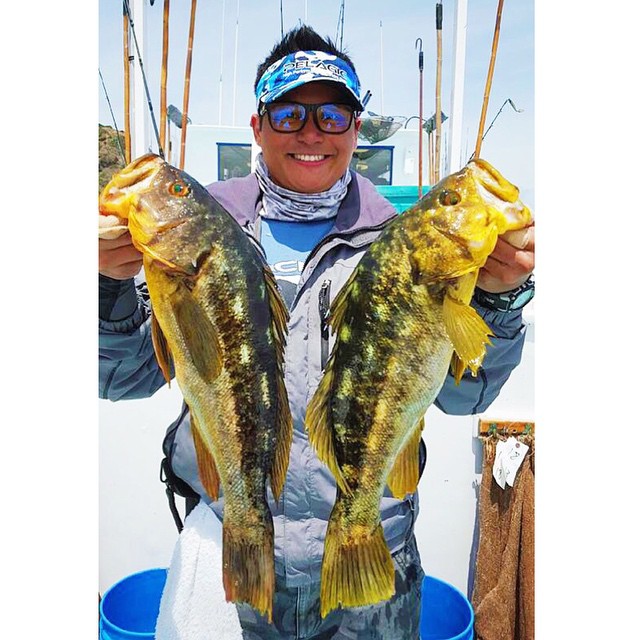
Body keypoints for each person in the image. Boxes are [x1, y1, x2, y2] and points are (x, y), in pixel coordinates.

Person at [99, 25, 535, 640]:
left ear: (356, 130)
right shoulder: (206, 235)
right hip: (233, 550)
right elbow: (123, 378)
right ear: (258, 127)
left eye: (332, 115)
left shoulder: (397, 241)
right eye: (289, 113)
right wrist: (108, 286)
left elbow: (467, 397)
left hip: (377, 552)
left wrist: (499, 297)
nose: (311, 133)